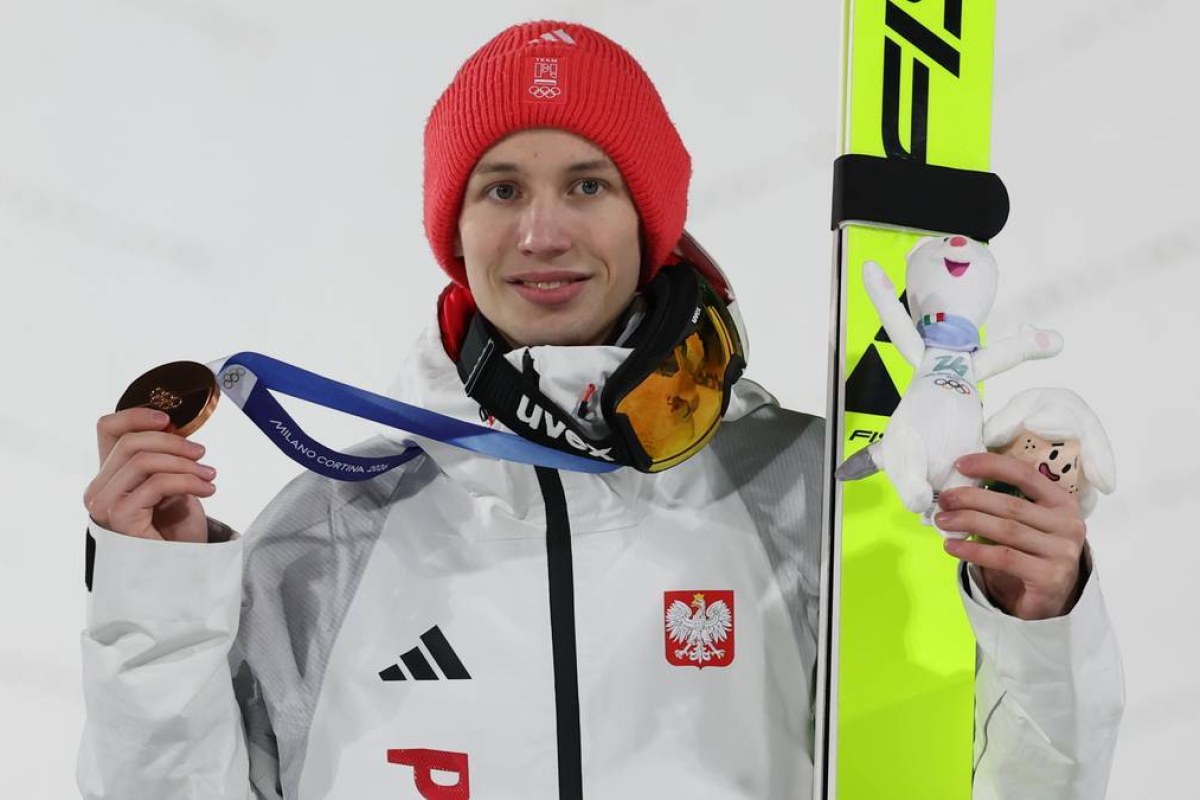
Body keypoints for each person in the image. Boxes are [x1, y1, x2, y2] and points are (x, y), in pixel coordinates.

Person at [78, 20, 1124, 799]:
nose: (542, 231)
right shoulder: (330, 533)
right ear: (454, 225)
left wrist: (1040, 621)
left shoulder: (815, 497)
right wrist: (156, 600)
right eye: (499, 188)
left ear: (649, 217)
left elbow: (1010, 782)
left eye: (586, 185)